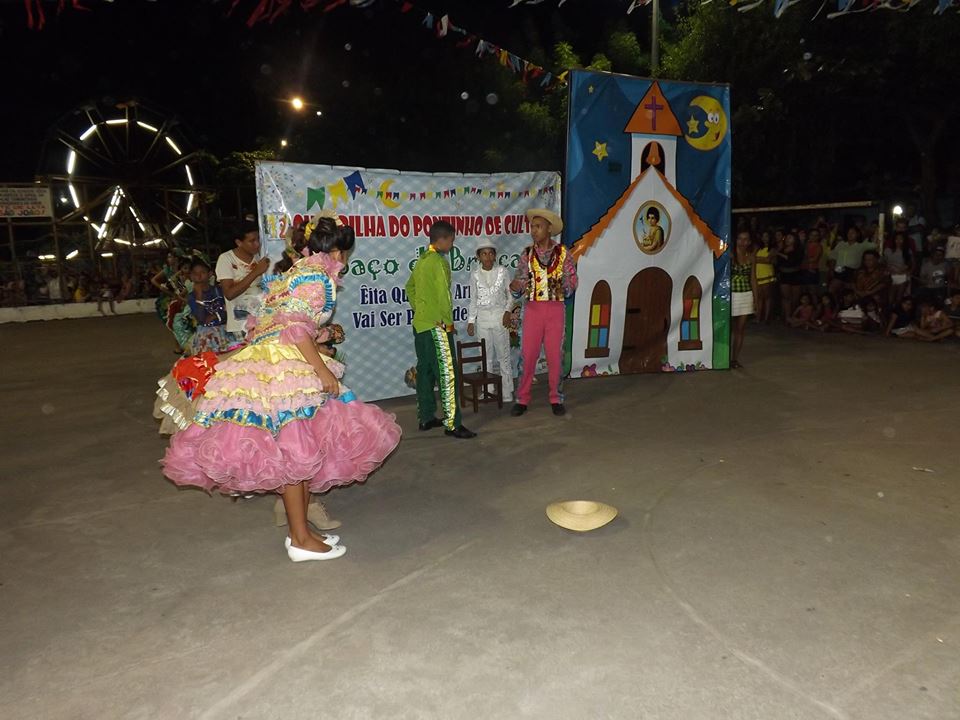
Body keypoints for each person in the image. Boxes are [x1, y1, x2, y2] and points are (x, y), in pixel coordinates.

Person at [162, 218, 402, 563]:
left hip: (274, 359)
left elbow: (275, 322)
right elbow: (295, 328)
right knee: (295, 454)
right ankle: (300, 539)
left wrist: (321, 339)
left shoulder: (297, 271)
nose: (344, 259)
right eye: (344, 252)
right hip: (284, 367)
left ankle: (301, 531)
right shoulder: (316, 276)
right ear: (337, 251)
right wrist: (321, 369)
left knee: (301, 450)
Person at [406, 221, 476, 439]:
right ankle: (452, 424)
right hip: (437, 327)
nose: (452, 245)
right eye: (451, 240)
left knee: (425, 372)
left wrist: (420, 309)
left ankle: (426, 417)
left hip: (420, 325)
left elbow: (409, 287)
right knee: (447, 374)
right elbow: (444, 296)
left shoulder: (421, 260)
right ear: (443, 239)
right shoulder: (439, 262)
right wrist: (448, 324)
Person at [509, 208, 578, 416]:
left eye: (538, 226)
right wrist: (516, 286)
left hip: (555, 310)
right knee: (528, 355)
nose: (533, 230)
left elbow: (572, 279)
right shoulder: (527, 254)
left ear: (549, 228)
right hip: (533, 310)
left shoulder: (563, 253)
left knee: (555, 356)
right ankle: (522, 398)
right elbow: (520, 280)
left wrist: (565, 286)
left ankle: (556, 398)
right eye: (532, 226)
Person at [466, 237, 514, 403]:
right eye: (484, 254)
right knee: (485, 356)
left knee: (503, 356)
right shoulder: (475, 275)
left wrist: (507, 312)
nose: (487, 257)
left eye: (490, 253)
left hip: (500, 317)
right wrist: (471, 321)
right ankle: (488, 389)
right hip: (483, 319)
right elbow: (473, 299)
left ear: (495, 255)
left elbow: (510, 295)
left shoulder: (503, 271)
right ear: (478, 257)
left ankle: (507, 391)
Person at [215, 220, 271, 337]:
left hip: (263, 323)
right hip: (239, 327)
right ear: (239, 242)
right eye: (252, 241)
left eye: (258, 239)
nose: (257, 244)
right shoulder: (226, 259)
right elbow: (229, 294)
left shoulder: (261, 257)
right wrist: (256, 272)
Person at [185, 259, 244, 355]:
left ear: (210, 274)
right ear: (191, 276)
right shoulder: (192, 297)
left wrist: (215, 315)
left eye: (202, 272)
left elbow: (230, 311)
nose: (199, 276)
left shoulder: (220, 290)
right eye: (195, 273)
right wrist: (199, 296)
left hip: (226, 330)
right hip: (206, 335)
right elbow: (201, 319)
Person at [729, 230, 756, 368]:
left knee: (740, 328)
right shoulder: (730, 255)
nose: (742, 242)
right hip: (731, 294)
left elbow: (753, 279)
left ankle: (734, 359)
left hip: (746, 294)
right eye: (740, 238)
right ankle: (724, 358)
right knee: (728, 328)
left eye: (745, 239)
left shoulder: (751, 257)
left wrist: (756, 299)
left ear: (749, 242)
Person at [828, 226, 877, 298]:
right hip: (840, 268)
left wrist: (875, 233)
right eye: (849, 233)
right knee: (832, 289)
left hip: (852, 271)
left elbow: (874, 245)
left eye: (853, 233)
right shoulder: (841, 244)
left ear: (857, 234)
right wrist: (832, 269)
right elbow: (833, 256)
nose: (850, 235)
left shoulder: (861, 245)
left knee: (849, 292)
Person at [776, 231, 804, 322]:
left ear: (795, 239)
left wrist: (779, 254)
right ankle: (787, 316)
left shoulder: (798, 250)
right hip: (784, 275)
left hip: (795, 275)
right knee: (786, 297)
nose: (787, 239)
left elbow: (793, 260)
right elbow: (778, 263)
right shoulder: (782, 249)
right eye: (787, 238)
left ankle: (793, 315)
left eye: (790, 238)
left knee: (795, 298)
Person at [883, 231, 914, 307]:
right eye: (896, 239)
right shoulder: (888, 250)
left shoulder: (908, 251)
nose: (898, 241)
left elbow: (913, 264)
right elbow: (883, 263)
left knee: (899, 298)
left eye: (901, 239)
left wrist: (909, 272)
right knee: (890, 298)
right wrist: (888, 268)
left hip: (902, 275)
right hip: (891, 276)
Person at [754, 231, 777, 323]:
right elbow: (752, 257)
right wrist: (762, 259)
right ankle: (758, 317)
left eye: (766, 236)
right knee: (759, 297)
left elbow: (768, 260)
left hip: (767, 274)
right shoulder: (758, 248)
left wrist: (757, 259)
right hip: (758, 274)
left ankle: (767, 318)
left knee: (767, 297)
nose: (764, 238)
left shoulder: (773, 249)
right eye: (763, 236)